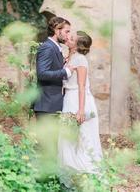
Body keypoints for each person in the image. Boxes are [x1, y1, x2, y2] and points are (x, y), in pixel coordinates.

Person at [58, 31, 103, 178]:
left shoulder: (81, 60)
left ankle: (87, 173)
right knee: (67, 137)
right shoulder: (69, 58)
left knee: (83, 136)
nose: (67, 38)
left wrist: (81, 110)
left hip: (79, 100)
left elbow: (82, 86)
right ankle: (69, 171)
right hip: (69, 99)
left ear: (77, 46)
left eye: (71, 39)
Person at [33, 16, 74, 118]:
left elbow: (52, 68)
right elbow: (42, 73)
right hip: (46, 105)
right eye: (67, 31)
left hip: (52, 105)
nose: (68, 36)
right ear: (57, 30)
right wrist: (65, 72)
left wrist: (63, 63)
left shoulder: (54, 47)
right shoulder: (47, 47)